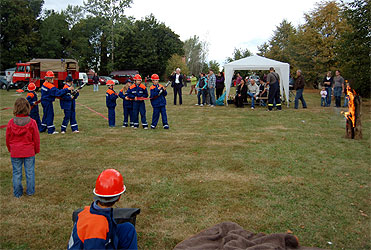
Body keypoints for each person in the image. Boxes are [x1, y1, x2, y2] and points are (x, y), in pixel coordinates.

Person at [67, 169, 138, 250]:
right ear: (119, 198)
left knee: (128, 229)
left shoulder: (88, 212)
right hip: (96, 242)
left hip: (98, 238)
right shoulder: (97, 228)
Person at [6, 98, 40, 198]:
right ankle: (30, 191)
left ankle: (18, 193)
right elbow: (36, 138)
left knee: (16, 173)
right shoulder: (32, 122)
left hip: (17, 151)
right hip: (28, 151)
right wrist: (36, 149)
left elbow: (8, 138)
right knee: (30, 172)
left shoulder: (11, 123)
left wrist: (10, 149)